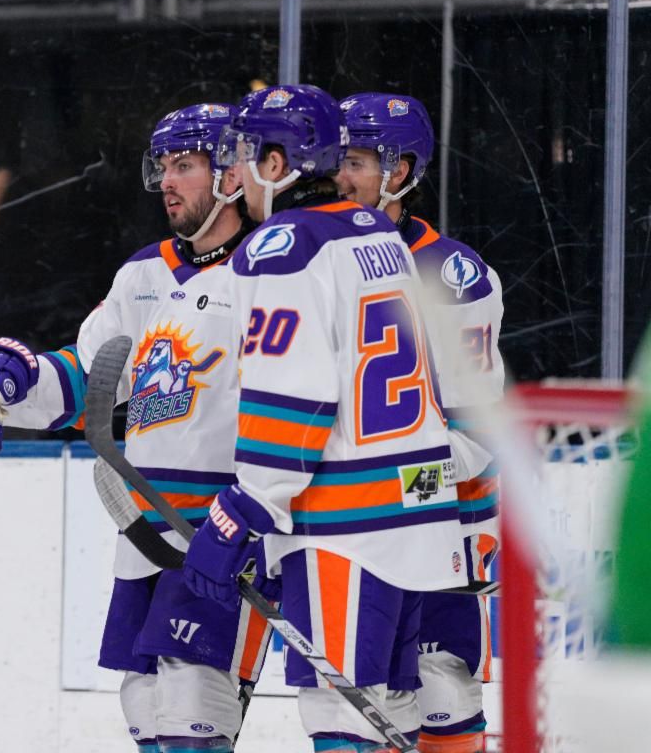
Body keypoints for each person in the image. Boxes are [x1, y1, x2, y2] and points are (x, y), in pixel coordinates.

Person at [0, 103, 273, 752]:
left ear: (232, 174)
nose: (167, 181)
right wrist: (9, 383)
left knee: (193, 709)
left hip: (222, 532)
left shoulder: (271, 274)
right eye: (162, 166)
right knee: (145, 702)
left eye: (185, 165)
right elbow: (86, 377)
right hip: (145, 532)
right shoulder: (142, 276)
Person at [181, 84, 467, 752]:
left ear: (277, 164)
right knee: (393, 706)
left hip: (348, 528)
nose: (234, 171)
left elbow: (294, 395)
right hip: (418, 511)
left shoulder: (284, 246)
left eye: (244, 154)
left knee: (341, 710)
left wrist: (244, 507)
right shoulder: (378, 234)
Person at [337, 92, 503, 753]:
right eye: (334, 159)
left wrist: (392, 486)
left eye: (354, 161)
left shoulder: (451, 275)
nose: (337, 176)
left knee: (441, 687)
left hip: (444, 523)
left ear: (399, 171)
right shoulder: (313, 260)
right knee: (362, 697)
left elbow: (475, 434)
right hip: (355, 523)